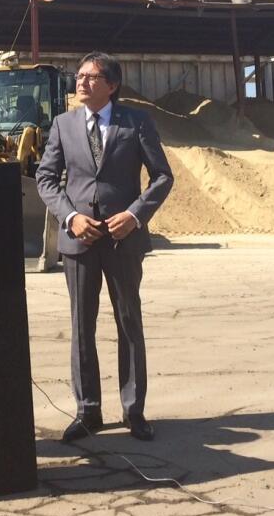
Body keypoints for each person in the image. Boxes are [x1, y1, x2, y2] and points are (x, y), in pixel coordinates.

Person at [35, 52, 173, 442]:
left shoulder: (137, 122)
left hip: (122, 240)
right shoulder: (63, 125)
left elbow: (162, 176)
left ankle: (134, 410)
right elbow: (46, 179)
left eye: (91, 77)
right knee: (82, 326)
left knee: (129, 323)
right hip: (79, 240)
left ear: (111, 85)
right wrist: (70, 217)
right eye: (79, 76)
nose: (81, 82)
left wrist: (135, 215)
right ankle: (88, 411)